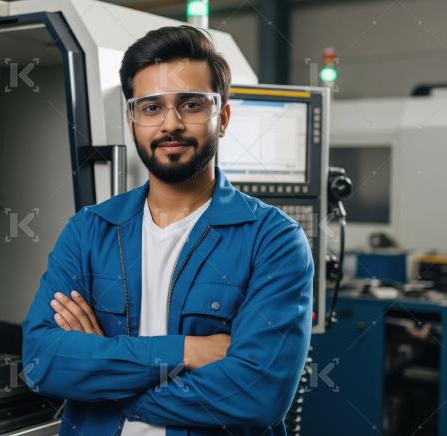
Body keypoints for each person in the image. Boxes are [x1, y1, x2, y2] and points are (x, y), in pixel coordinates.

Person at [21, 25, 314, 436]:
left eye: (191, 105)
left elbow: (258, 393)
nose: (170, 124)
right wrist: (186, 350)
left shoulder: (273, 240)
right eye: (151, 107)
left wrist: (108, 384)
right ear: (132, 119)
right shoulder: (89, 230)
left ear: (223, 117)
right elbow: (42, 362)